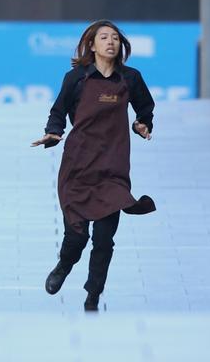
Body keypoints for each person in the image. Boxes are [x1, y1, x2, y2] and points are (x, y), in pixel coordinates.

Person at [32, 19, 157, 312]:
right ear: (92, 45)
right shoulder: (75, 78)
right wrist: (53, 133)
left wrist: (142, 123)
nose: (110, 42)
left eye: (115, 37)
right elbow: (58, 111)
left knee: (104, 239)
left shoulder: (131, 78)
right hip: (78, 166)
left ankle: (93, 295)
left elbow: (145, 107)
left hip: (113, 169)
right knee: (77, 235)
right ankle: (64, 265)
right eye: (104, 37)